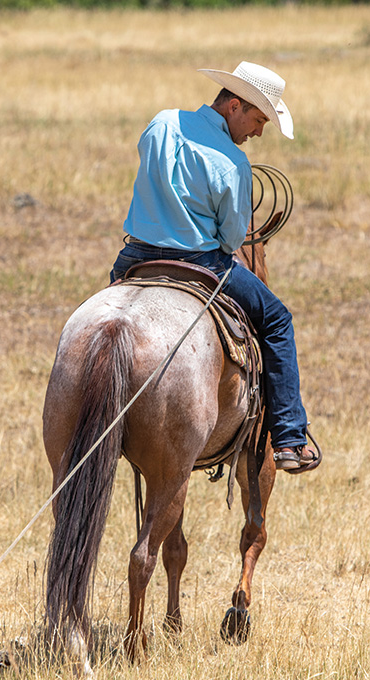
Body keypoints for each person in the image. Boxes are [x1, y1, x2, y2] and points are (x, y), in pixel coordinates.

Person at [110, 61, 319, 473]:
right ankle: (291, 436)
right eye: (259, 120)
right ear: (234, 106)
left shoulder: (161, 123)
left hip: (134, 257)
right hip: (200, 261)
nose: (258, 132)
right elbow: (229, 240)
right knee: (277, 320)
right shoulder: (233, 163)